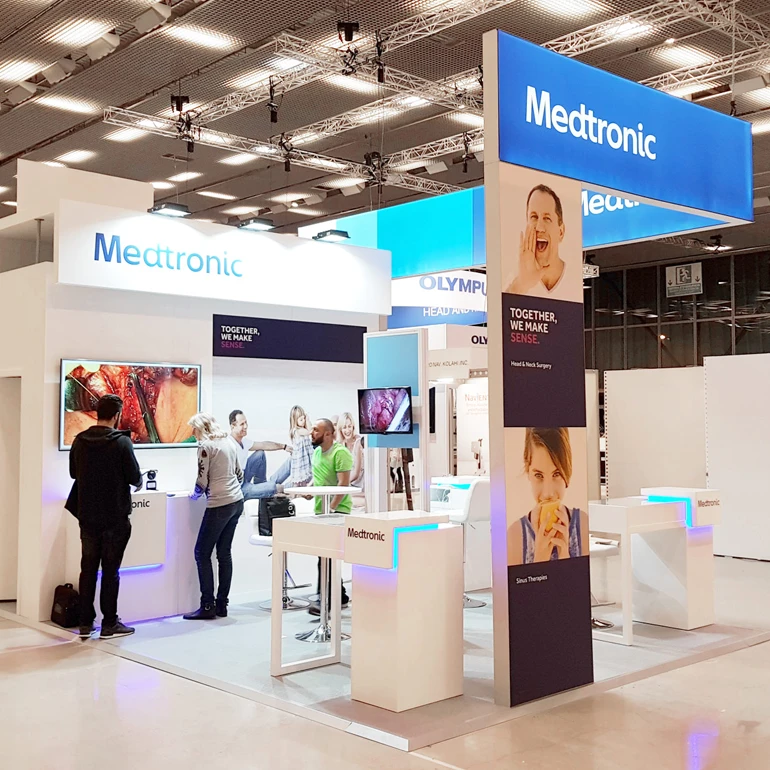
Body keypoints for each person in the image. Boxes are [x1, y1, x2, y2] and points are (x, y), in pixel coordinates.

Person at [69, 394, 142, 640]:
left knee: (87, 568)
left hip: (87, 516)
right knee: (110, 571)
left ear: (97, 413)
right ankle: (109, 623)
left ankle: (85, 623)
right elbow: (134, 477)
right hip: (114, 516)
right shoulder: (122, 443)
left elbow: (73, 473)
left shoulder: (80, 441)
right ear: (117, 416)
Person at [185, 413, 244, 620]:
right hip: (236, 501)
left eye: (194, 429)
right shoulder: (229, 442)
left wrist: (193, 496)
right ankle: (222, 604)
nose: (193, 434)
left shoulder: (205, 447)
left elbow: (201, 481)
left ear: (201, 428)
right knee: (224, 553)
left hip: (219, 504)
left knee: (201, 553)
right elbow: (239, 474)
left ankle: (207, 605)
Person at [507, 428, 589, 565]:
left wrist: (564, 555)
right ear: (528, 471)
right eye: (538, 475)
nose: (548, 493)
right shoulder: (514, 536)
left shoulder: (583, 525)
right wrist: (540, 559)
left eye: (556, 474)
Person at [308, 418, 353, 615]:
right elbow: (318, 478)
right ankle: (339, 595)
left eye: (315, 430)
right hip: (320, 510)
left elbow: (343, 484)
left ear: (328, 434)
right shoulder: (317, 452)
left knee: (326, 557)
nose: (311, 433)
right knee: (324, 555)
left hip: (337, 511)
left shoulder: (340, 453)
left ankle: (326, 600)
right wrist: (309, 489)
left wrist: (332, 508)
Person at [505, 184, 567, 297]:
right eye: (534, 217)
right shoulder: (513, 279)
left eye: (547, 218)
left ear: (561, 232)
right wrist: (521, 284)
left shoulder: (575, 277)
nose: (539, 227)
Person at [228, 410, 291, 500]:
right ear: (233, 426)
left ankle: (262, 486)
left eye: (246, 423)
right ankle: (273, 488)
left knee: (260, 454)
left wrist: (284, 446)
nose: (245, 426)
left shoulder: (243, 442)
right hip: (238, 489)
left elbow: (264, 445)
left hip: (243, 477)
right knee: (274, 487)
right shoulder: (229, 445)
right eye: (242, 424)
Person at [287, 405, 313, 487]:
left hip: (305, 458)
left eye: (304, 418)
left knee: (306, 480)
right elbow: (310, 431)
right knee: (298, 482)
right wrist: (308, 420)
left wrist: (307, 421)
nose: (304, 421)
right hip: (300, 460)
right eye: (301, 420)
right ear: (295, 421)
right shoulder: (296, 431)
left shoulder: (302, 429)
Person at [337, 411, 364, 489]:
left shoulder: (358, 443)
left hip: (360, 486)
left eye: (349, 426)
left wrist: (340, 485)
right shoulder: (340, 445)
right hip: (347, 485)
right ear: (340, 429)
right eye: (344, 427)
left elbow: (356, 473)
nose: (347, 430)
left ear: (353, 427)